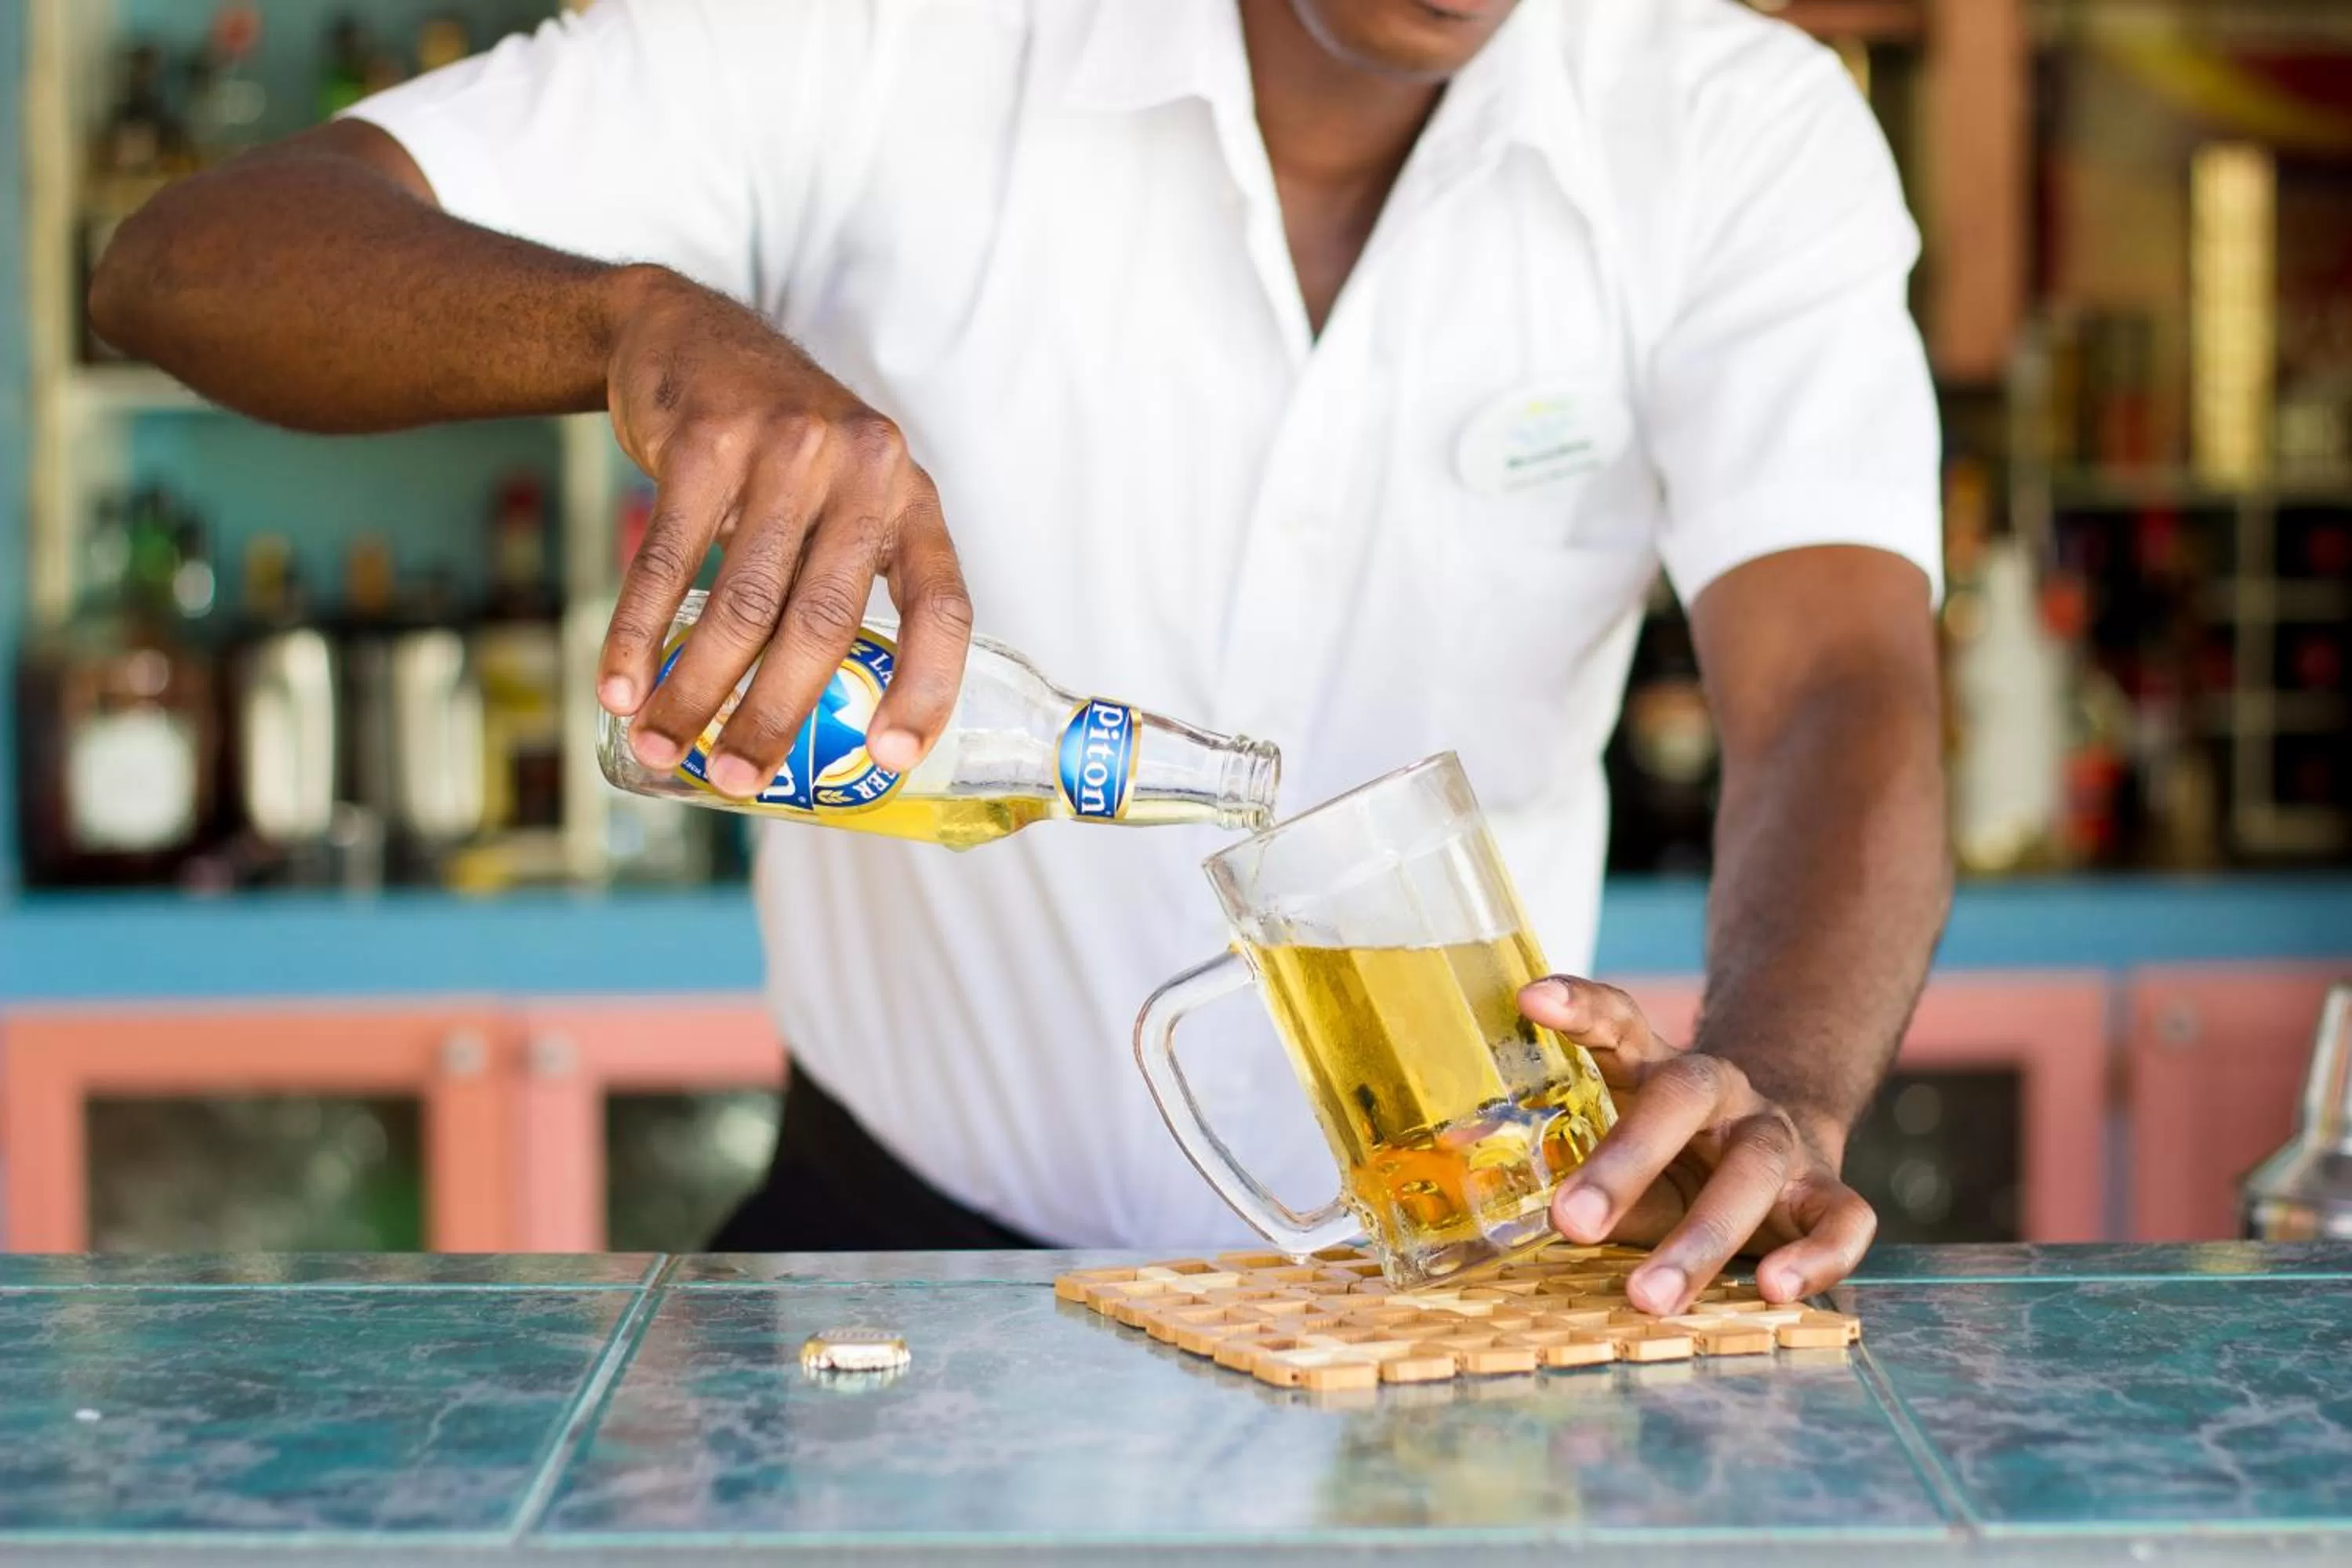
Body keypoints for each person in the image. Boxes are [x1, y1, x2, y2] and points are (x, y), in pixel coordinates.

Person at [90, 0, 1950, 1316]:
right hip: (891, 1269)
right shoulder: (882, 39)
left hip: (1466, 1298)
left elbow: (1839, 680)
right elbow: (188, 260)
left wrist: (1780, 1069)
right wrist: (632, 320)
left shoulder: (1734, 125)